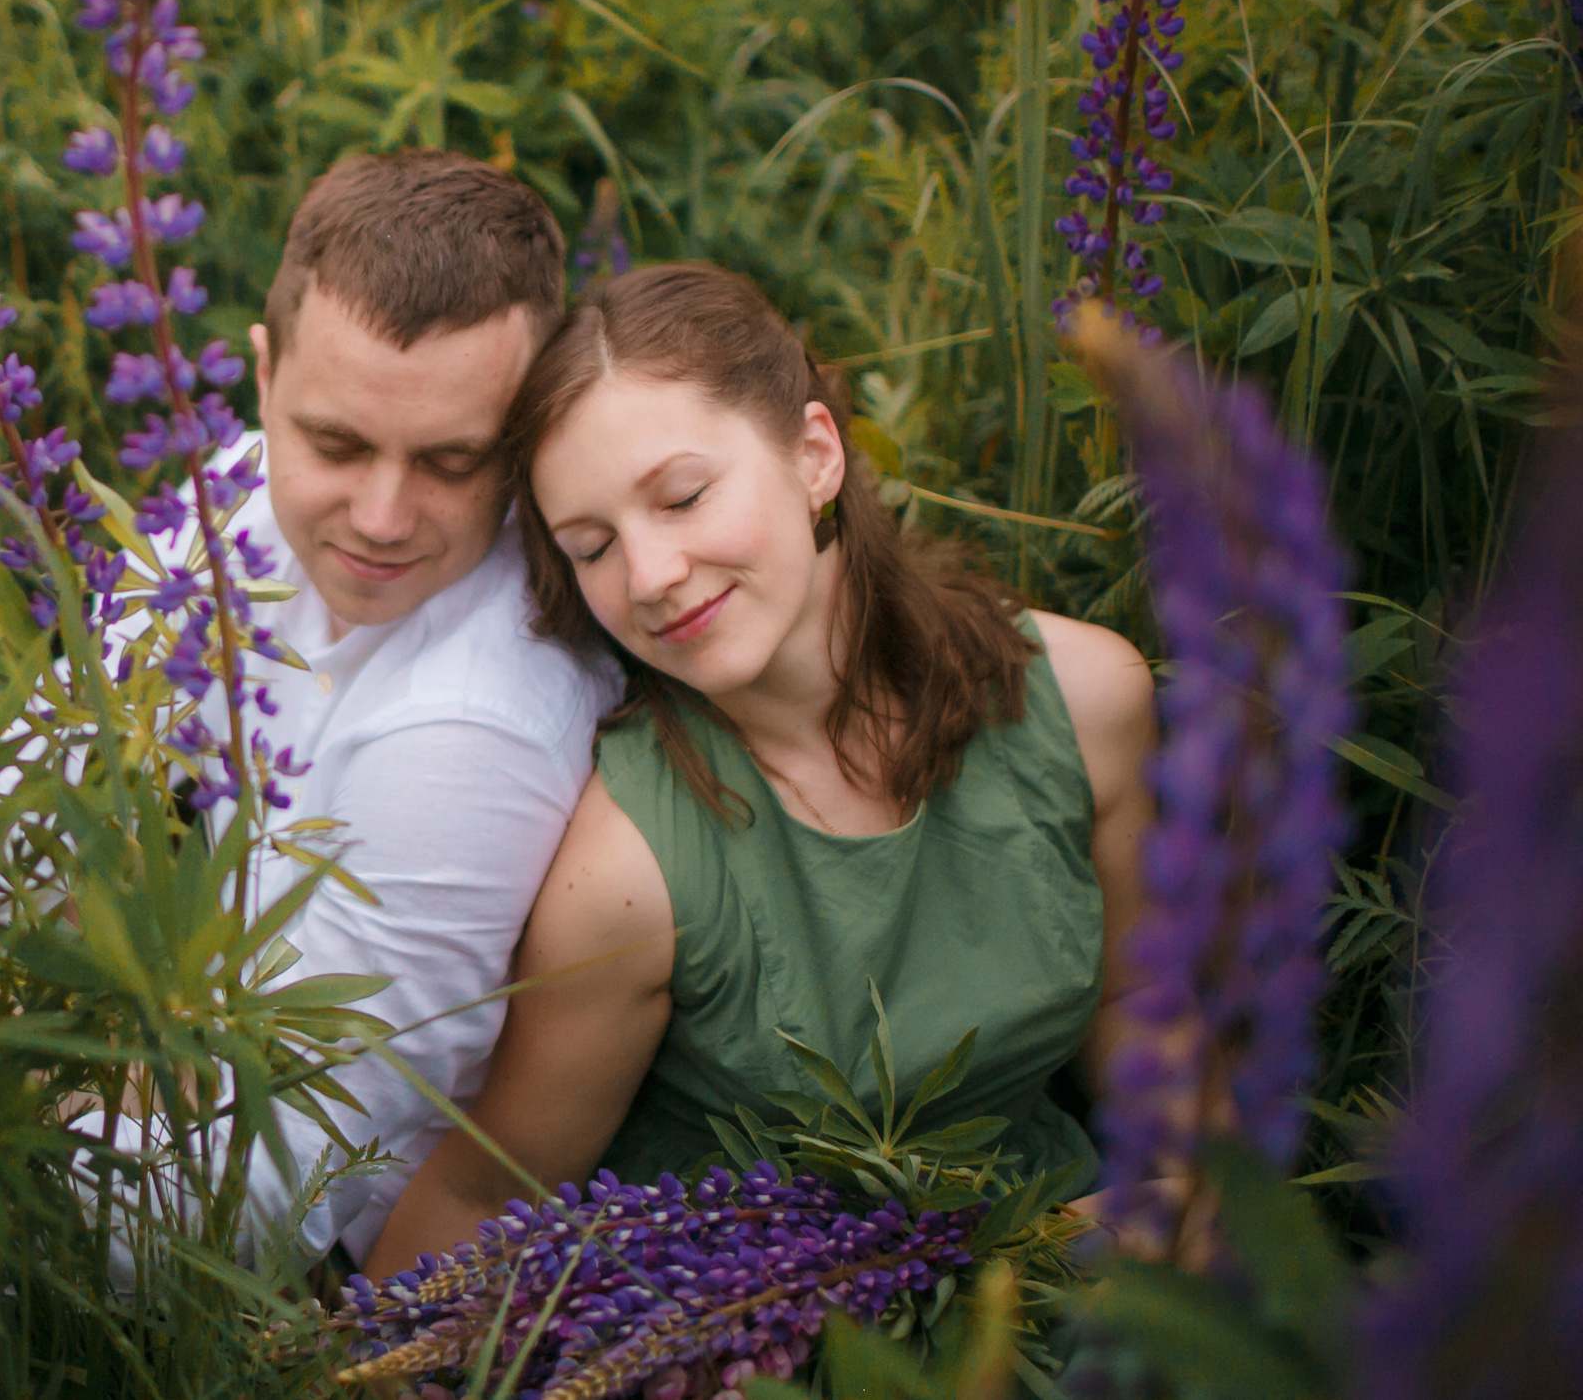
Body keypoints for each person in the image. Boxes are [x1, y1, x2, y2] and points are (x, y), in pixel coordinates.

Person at [364, 264, 1159, 1277]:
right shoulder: (627, 871)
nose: (649, 576)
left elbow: (1134, 1000)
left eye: (683, 496)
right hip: (753, 1329)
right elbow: (488, 1189)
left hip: (1068, 1261)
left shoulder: (1086, 699)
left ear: (815, 454)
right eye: (591, 546)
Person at [116, 150, 619, 1267]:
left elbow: (279, 1169)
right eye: (334, 443)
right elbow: (36, 765)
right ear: (261, 380)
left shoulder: (478, 723)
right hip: (167, 1055)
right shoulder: (244, 492)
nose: (381, 516)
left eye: (450, 460)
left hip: (298, 1240)